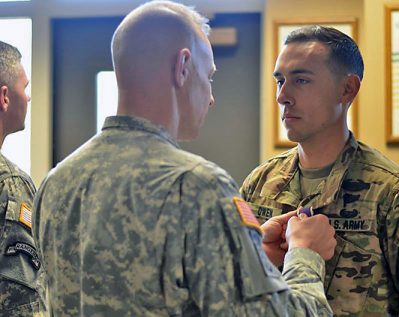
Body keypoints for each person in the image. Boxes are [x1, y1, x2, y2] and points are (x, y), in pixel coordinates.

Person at [32, 1, 337, 316]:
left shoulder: (55, 184)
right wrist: (305, 254)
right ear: (182, 67)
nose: (211, 96)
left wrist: (248, 252)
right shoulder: (196, 185)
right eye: (209, 76)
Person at [240, 25, 399, 316]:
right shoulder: (257, 185)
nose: (282, 96)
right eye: (280, 81)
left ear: (347, 89)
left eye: (301, 80)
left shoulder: (397, 197)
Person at [0, 41, 46, 316]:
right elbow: (18, 300)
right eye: (24, 87)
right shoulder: (9, 183)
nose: (27, 97)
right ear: (4, 96)